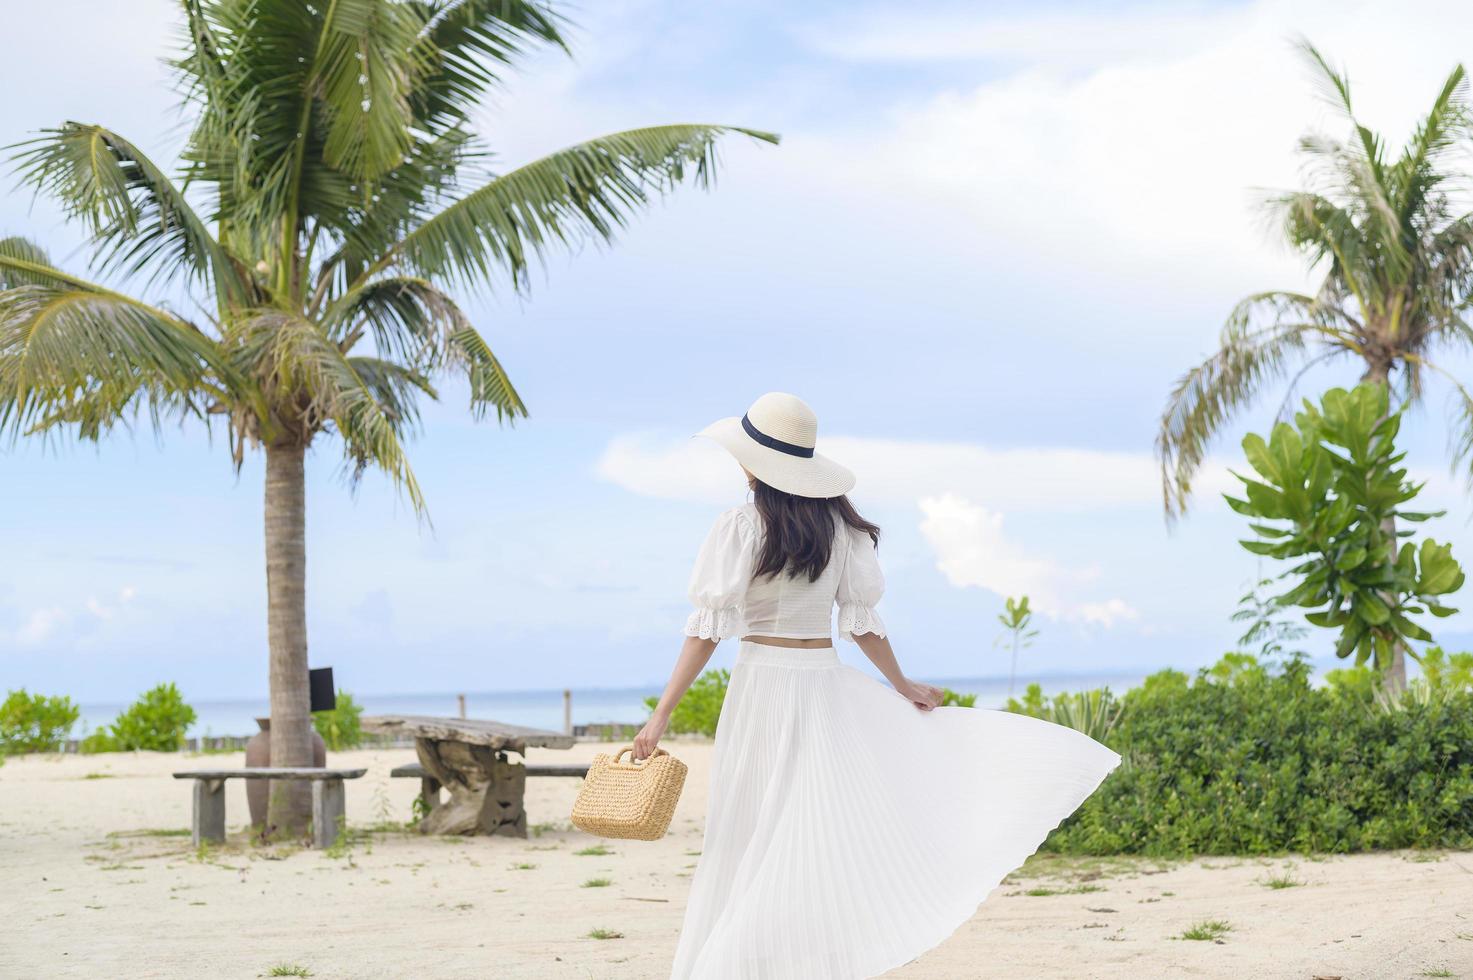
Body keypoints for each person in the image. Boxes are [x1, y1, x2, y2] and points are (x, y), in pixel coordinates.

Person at [636, 392, 1121, 980]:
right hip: (822, 686)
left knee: (750, 827)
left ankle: (747, 962)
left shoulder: (741, 525)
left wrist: (661, 715)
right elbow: (861, 625)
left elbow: (707, 631)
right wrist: (901, 684)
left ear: (753, 464)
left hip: (760, 687)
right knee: (811, 830)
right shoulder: (842, 531)